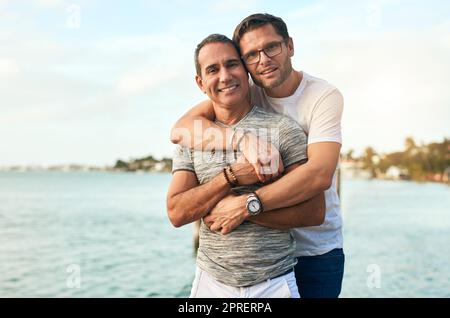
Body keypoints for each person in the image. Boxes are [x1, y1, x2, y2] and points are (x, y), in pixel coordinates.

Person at [171, 13, 345, 298]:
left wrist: (244, 206)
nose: (263, 60)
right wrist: (241, 139)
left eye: (271, 47)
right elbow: (180, 130)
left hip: (316, 251)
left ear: (290, 46)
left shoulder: (322, 96)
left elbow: (319, 174)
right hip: (242, 267)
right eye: (251, 55)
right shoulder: (245, 90)